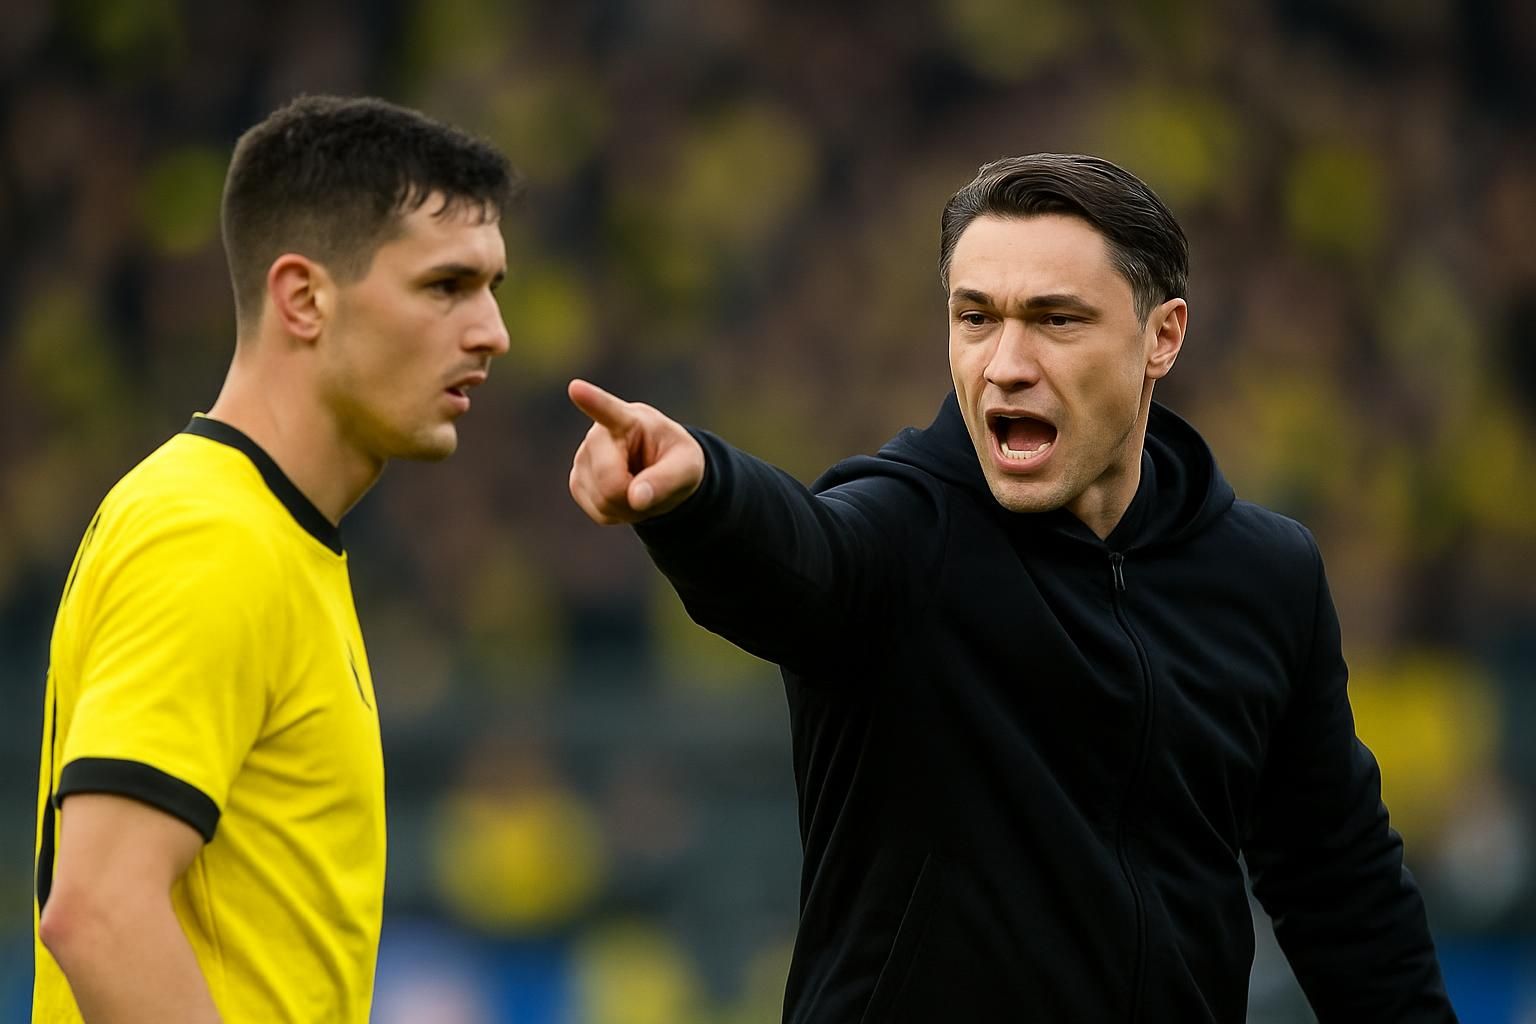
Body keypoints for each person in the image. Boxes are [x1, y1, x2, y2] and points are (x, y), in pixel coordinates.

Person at [567, 154, 1457, 1022]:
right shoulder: (903, 535)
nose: (1004, 364)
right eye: (976, 317)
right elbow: (796, 556)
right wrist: (701, 493)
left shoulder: (1265, 576)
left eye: (1055, 320)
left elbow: (1342, 888)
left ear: (1163, 337)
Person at [33, 95, 519, 1023]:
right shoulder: (209, 534)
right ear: (303, 298)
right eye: (446, 286)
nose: (492, 331)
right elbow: (99, 912)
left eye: (494, 287)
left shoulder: (268, 533)